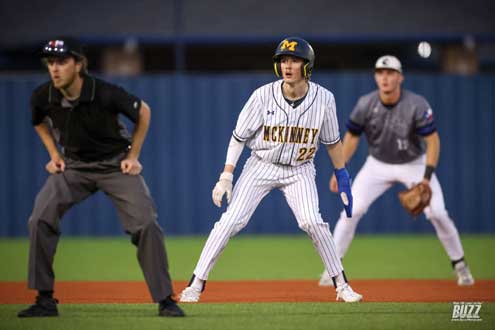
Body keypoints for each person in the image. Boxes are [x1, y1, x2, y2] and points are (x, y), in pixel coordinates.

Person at [179, 37, 362, 303]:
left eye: (294, 60)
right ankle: (195, 284)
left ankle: (342, 286)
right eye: (283, 60)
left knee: (312, 221)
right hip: (261, 165)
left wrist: (342, 174)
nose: (288, 66)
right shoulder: (263, 95)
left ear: (307, 65)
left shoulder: (324, 99)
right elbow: (238, 137)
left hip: (300, 169)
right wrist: (226, 175)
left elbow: (332, 142)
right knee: (230, 222)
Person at [17, 37, 184, 318]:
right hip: (74, 167)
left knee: (145, 224)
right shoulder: (43, 95)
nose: (54, 69)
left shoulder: (104, 92)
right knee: (40, 218)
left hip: (115, 165)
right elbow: (38, 122)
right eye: (50, 62)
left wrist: (133, 157)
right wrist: (53, 155)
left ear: (79, 64)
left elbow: (143, 111)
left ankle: (165, 299)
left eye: (62, 61)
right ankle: (44, 299)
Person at [319, 55, 475, 287]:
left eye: (390, 73)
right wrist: (340, 169)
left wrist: (426, 177)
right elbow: (351, 137)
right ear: (375, 77)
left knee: (438, 213)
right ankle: (332, 269)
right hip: (378, 164)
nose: (385, 77)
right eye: (381, 73)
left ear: (400, 77)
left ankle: (460, 264)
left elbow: (433, 141)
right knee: (352, 209)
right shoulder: (366, 103)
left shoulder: (416, 104)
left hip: (413, 163)